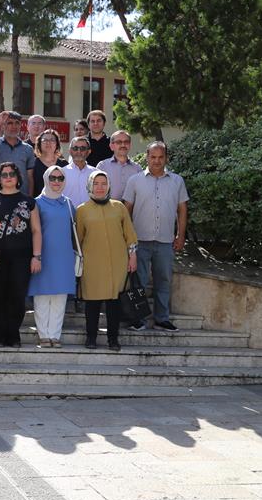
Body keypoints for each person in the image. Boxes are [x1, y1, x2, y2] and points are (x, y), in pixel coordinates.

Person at [123, 142, 189, 332]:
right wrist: (127, 239)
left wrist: (180, 235)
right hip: (139, 241)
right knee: (138, 282)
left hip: (165, 241)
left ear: (166, 158)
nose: (157, 161)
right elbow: (126, 210)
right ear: (147, 157)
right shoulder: (135, 180)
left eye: (161, 157)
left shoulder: (177, 181)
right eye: (153, 157)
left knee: (164, 281)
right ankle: (138, 319)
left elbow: (182, 210)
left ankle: (162, 318)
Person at [0, 163, 42, 348]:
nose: (8, 177)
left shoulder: (29, 202)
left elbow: (36, 231)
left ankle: (13, 336)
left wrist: (36, 256)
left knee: (17, 298)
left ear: (18, 177)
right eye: (4, 174)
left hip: (21, 258)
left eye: (11, 174)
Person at [78, 171, 138, 350]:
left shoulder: (119, 207)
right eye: (96, 183)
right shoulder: (82, 210)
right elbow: (78, 239)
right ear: (90, 185)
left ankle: (113, 339)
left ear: (109, 186)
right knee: (92, 303)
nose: (100, 187)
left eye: (103, 183)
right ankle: (91, 338)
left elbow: (130, 234)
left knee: (114, 303)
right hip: (92, 264)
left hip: (117, 263)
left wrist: (132, 256)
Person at [28, 165, 77, 347]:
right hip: (42, 254)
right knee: (42, 296)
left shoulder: (69, 204)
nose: (56, 182)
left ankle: (55, 336)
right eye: (53, 178)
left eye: (60, 178)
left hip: (64, 256)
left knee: (59, 297)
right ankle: (43, 335)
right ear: (46, 179)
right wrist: (35, 255)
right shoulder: (36, 203)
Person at [0, 111, 36, 196]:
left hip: (21, 198)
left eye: (17, 123)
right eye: (10, 123)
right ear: (3, 126)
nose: (14, 126)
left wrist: (30, 198)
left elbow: (30, 177)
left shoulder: (28, 149)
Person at [97, 130, 142, 201]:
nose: (123, 145)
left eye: (126, 142)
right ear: (111, 146)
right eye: (119, 142)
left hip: (131, 210)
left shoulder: (137, 168)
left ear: (130, 145)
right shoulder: (102, 166)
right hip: (109, 209)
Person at [31, 129, 68, 198]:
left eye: (52, 140)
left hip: (59, 203)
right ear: (39, 144)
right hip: (38, 204)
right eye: (45, 140)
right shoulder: (33, 163)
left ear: (57, 144)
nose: (48, 142)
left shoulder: (64, 164)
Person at [63, 136, 97, 208]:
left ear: (89, 151)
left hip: (90, 216)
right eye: (75, 148)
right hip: (68, 217)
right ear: (70, 151)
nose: (78, 151)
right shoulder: (62, 172)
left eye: (83, 148)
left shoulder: (96, 173)